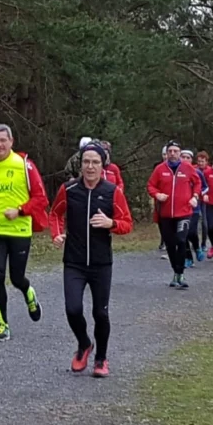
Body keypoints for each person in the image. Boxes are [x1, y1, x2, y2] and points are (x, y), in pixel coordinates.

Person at [50, 141, 132, 378]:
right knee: (73, 309)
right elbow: (55, 214)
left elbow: (127, 223)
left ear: (103, 166)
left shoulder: (112, 191)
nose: (90, 166)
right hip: (74, 262)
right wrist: (57, 234)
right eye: (86, 162)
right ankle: (85, 343)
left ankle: (101, 359)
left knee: (101, 313)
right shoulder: (69, 189)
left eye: (95, 162)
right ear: (80, 164)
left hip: (101, 263)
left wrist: (111, 223)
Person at [0, 123, 49, 342]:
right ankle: (3, 325)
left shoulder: (24, 165)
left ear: (11, 142)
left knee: (17, 278)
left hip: (19, 231)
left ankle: (29, 293)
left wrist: (20, 210)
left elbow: (41, 198)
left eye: (3, 140)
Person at [147, 141, 202, 287]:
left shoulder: (187, 168)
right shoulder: (160, 169)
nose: (172, 154)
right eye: (170, 151)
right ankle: (175, 272)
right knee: (170, 245)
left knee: (181, 240)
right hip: (165, 214)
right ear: (166, 153)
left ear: (180, 153)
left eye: (175, 151)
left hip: (184, 212)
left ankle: (181, 274)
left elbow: (198, 183)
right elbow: (150, 185)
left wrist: (195, 196)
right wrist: (157, 194)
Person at [181, 149, 208, 268]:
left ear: (192, 160)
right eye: (183, 157)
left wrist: (198, 195)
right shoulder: (176, 173)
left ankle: (197, 247)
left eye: (188, 158)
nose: (185, 160)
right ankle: (188, 258)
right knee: (183, 234)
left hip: (194, 208)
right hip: (180, 209)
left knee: (191, 231)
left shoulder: (197, 172)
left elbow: (205, 187)